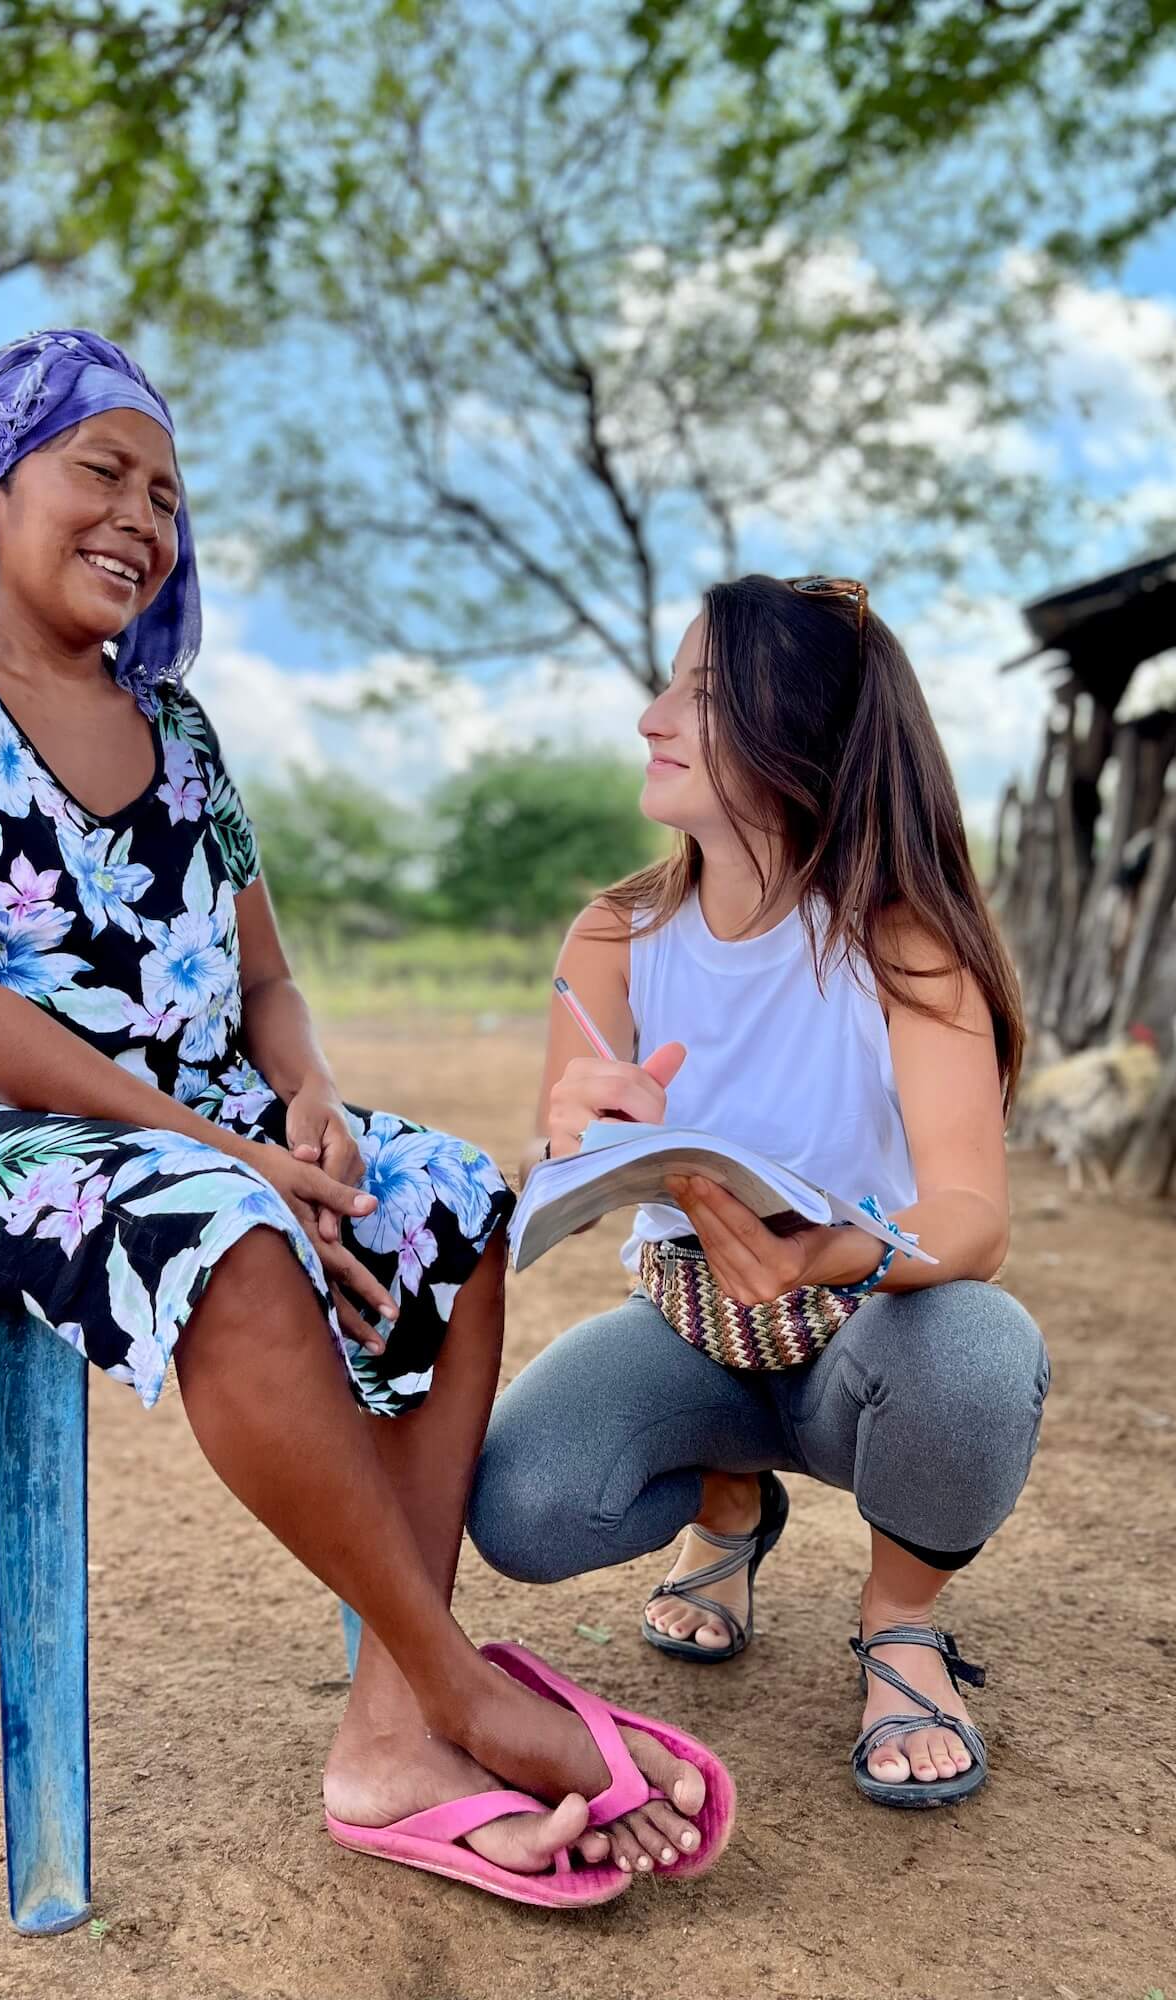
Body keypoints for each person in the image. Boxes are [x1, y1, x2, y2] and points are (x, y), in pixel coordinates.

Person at [0, 328, 733, 1903]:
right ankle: (460, 1690)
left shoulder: (182, 731)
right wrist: (223, 1152)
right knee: (221, 1222)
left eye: (167, 493)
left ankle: (388, 1732)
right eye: (102, 472)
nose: (142, 518)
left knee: (444, 1193)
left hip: (190, 1119)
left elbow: (265, 982)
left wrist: (307, 1099)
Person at [468, 574, 1050, 1807]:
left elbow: (972, 1218)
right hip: (687, 1324)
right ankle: (733, 1505)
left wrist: (822, 1252)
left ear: (806, 735)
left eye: (705, 693)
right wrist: (572, 1130)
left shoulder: (903, 941)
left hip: (861, 1331)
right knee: (523, 1506)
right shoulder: (616, 933)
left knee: (981, 1350)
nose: (652, 715)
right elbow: (561, 1153)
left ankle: (899, 1624)